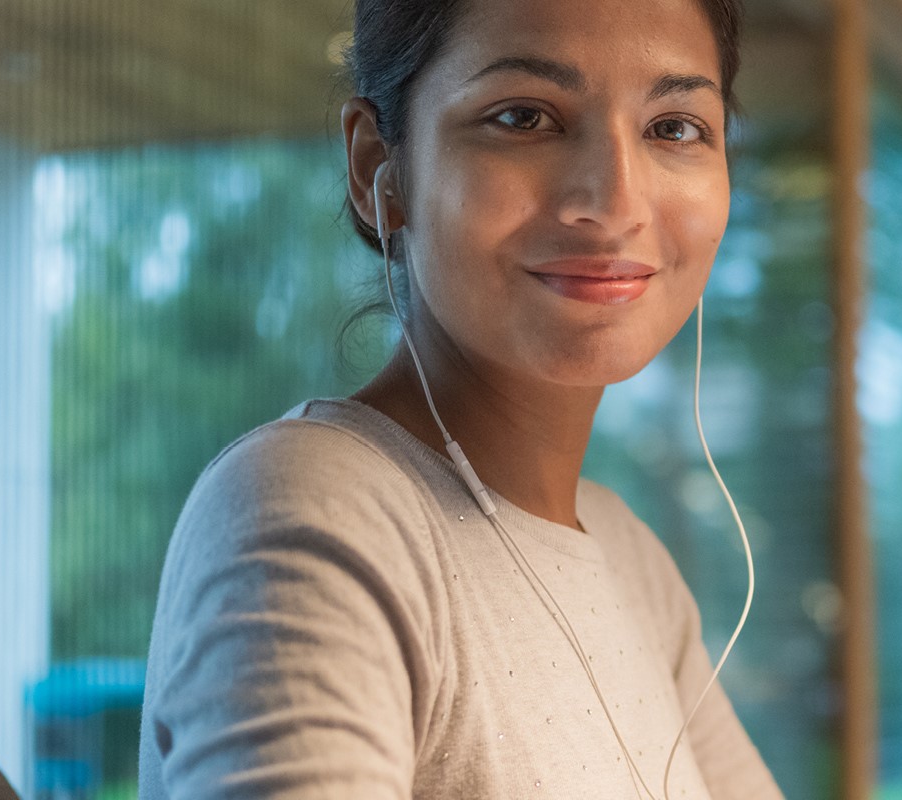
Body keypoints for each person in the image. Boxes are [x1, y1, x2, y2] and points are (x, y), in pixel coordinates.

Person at [135, 0, 783, 796]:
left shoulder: (629, 558)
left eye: (675, 127)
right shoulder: (313, 507)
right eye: (525, 117)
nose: (617, 203)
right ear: (379, 166)